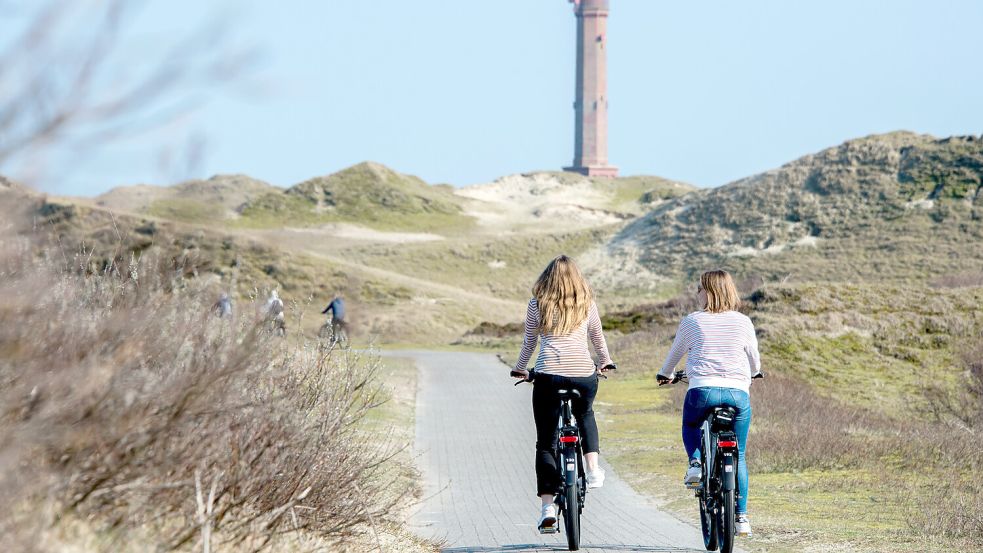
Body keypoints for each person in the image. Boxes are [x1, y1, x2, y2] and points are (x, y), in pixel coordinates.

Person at [511, 255, 615, 532]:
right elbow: (597, 338)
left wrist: (521, 369)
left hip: (548, 377)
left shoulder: (537, 304)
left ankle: (547, 507)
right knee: (586, 413)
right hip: (583, 375)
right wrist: (604, 361)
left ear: (547, 279)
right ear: (577, 279)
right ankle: (592, 469)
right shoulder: (587, 304)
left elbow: (530, 342)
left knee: (546, 443)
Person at [657, 269, 761, 537]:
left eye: (699, 288)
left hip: (702, 390)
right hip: (738, 394)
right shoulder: (743, 321)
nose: (697, 293)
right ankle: (741, 517)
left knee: (691, 424)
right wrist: (754, 373)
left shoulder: (692, 321)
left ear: (708, 291)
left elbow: (674, 355)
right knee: (739, 455)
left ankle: (695, 463)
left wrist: (665, 375)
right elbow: (754, 360)